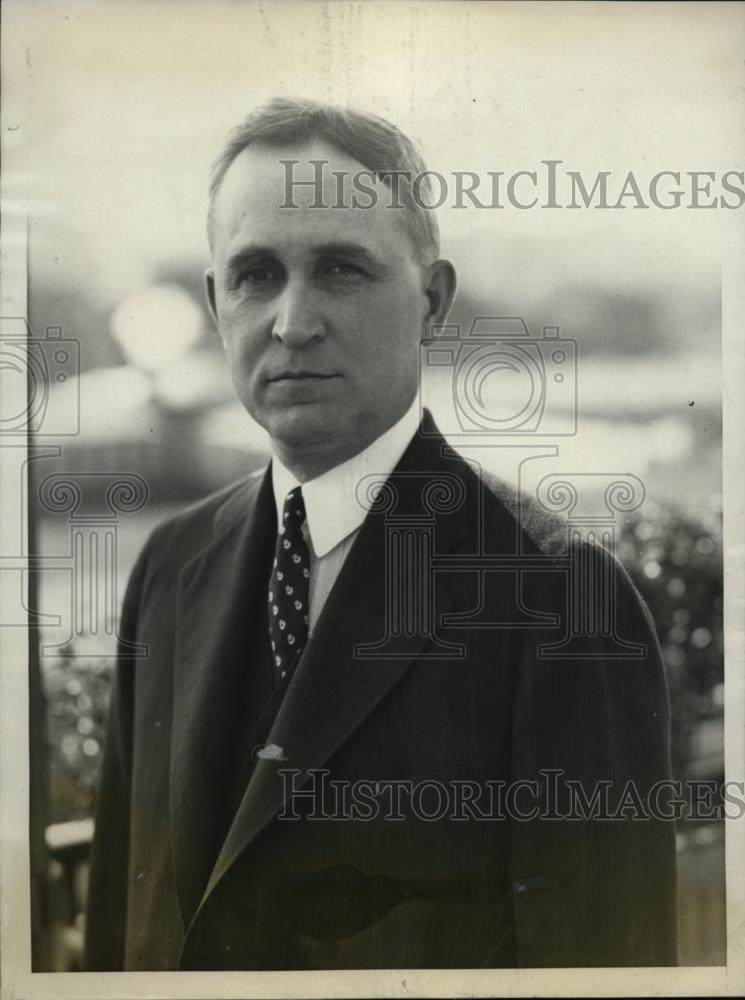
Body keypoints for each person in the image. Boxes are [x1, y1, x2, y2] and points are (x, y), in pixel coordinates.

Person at [85, 98, 677, 970]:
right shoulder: (170, 565)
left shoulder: (559, 596)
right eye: (254, 275)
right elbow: (119, 927)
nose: (291, 323)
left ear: (431, 301)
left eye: (340, 270)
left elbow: (603, 967)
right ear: (216, 306)